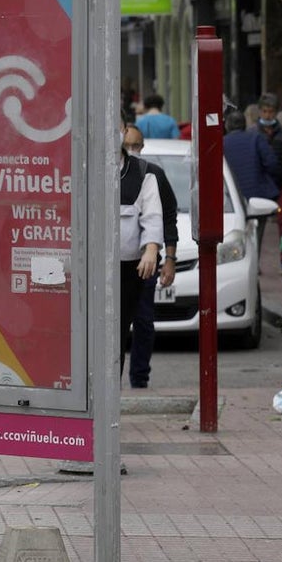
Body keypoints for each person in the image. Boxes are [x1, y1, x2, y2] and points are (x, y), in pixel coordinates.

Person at [123, 126, 178, 389]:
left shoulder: (152, 174)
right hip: (119, 262)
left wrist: (169, 258)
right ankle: (112, 381)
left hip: (145, 262)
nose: (132, 149)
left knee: (143, 320)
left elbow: (165, 217)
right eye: (128, 144)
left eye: (137, 145)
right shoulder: (111, 172)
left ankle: (139, 380)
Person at [119, 126, 163, 380]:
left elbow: (156, 216)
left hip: (132, 266)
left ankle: (134, 379)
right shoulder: (87, 165)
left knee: (133, 325)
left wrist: (153, 249)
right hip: (92, 267)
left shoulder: (145, 173)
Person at [223, 110, 281, 265]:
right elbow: (272, 164)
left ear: (227, 126)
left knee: (236, 230)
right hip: (257, 196)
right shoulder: (256, 138)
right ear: (244, 124)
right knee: (257, 232)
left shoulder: (222, 142)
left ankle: (239, 261)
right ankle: (254, 262)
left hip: (231, 197)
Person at [250, 93, 282, 271]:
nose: (268, 115)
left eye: (271, 112)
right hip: (260, 186)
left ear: (276, 112)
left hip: (281, 185)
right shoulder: (253, 133)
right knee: (256, 226)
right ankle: (254, 263)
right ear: (260, 112)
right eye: (264, 111)